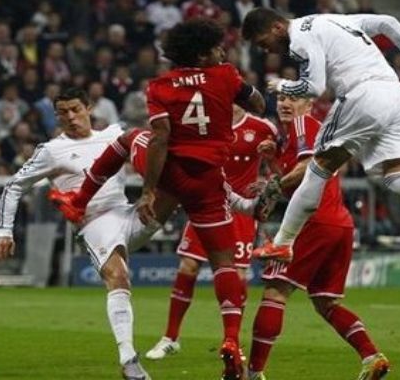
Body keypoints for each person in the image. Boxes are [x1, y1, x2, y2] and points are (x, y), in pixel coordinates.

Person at [51, 19, 265, 380]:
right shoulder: (225, 74)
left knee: (127, 138)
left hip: (171, 172)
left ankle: (79, 200)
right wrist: (235, 86)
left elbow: (161, 137)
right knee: (224, 263)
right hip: (208, 180)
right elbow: (257, 103)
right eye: (215, 48)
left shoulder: (161, 86)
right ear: (202, 52)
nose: (221, 51)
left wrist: (149, 188)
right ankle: (231, 340)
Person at [240, 7, 400, 261]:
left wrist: (283, 85)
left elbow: (314, 87)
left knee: (317, 168)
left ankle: (283, 242)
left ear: (277, 28)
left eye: (263, 42)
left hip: (362, 95)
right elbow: (387, 21)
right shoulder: (333, 20)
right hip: (398, 95)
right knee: (394, 176)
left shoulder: (301, 36)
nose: (266, 50)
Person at [0, 87, 156, 380]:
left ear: (89, 108)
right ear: (56, 117)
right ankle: (129, 359)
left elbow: (152, 148)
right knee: (119, 277)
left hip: (130, 212)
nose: (70, 117)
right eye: (63, 113)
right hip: (95, 222)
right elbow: (14, 186)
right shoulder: (51, 150)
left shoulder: (114, 134)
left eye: (75, 110)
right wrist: (4, 231)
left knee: (174, 194)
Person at [246, 93, 389, 380]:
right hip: (339, 224)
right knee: (326, 303)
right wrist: (273, 161)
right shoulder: (290, 141)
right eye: (281, 97)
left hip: (315, 221)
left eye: (294, 97)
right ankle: (372, 357)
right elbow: (297, 179)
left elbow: (304, 170)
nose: (285, 103)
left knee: (276, 290)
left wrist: (271, 185)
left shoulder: (305, 124)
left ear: (309, 104)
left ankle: (253, 373)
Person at [145, 105, 276, 360]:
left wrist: (268, 182)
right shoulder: (205, 124)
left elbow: (281, 161)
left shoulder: (262, 128)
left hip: (241, 213)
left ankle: (232, 342)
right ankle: (170, 338)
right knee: (188, 265)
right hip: (206, 203)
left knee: (237, 274)